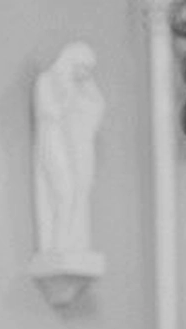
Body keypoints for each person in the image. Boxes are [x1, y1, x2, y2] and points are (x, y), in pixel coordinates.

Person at [32, 42, 105, 259]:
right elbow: (49, 112)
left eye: (88, 70)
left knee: (79, 190)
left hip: (75, 147)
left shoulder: (82, 89)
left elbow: (95, 111)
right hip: (53, 141)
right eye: (82, 67)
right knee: (64, 191)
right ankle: (58, 243)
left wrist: (85, 95)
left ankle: (74, 242)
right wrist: (67, 98)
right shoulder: (46, 82)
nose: (85, 74)